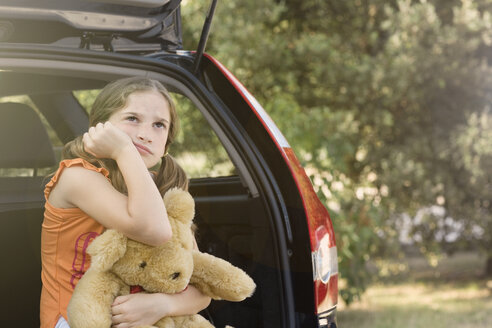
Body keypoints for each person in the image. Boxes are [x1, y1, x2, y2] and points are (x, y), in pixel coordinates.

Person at [40, 77, 211, 328]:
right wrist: (123, 150)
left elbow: (202, 286)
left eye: (159, 125)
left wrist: (162, 305)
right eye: (132, 119)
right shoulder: (76, 176)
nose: (145, 134)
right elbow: (155, 231)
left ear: (166, 145)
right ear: (101, 127)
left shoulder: (157, 191)